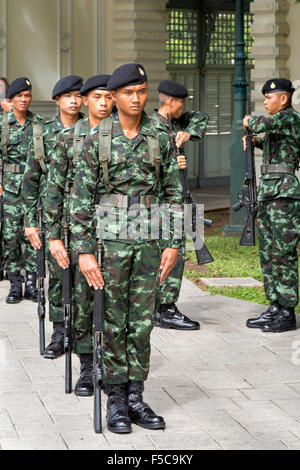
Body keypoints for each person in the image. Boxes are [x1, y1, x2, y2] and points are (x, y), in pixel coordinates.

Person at [70, 64, 183, 433]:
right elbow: (81, 200)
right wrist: (85, 251)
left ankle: (136, 396)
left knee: (142, 323)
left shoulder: (159, 134)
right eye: (129, 92)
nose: (136, 99)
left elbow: (173, 193)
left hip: (150, 243)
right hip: (111, 245)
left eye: (142, 91)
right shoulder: (98, 138)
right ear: (115, 96)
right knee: (113, 322)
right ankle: (116, 399)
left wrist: (174, 244)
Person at [44, 75, 114, 396]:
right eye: (96, 97)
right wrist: (54, 236)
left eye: (108, 96)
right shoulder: (68, 138)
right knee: (85, 300)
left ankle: (113, 366)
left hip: (119, 230)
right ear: (86, 100)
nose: (103, 103)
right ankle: (87, 365)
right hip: (80, 230)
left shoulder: (128, 136)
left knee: (117, 302)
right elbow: (54, 190)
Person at [22, 75, 84, 357]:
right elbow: (31, 180)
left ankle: (80, 332)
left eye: (78, 95)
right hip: (54, 214)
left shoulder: (92, 128)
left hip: (85, 214)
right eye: (68, 96)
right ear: (57, 100)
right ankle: (59, 332)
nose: (74, 100)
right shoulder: (43, 134)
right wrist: (31, 222)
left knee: (85, 274)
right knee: (59, 274)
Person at [244, 78, 300, 333]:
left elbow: (262, 124)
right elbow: (276, 143)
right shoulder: (281, 125)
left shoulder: (289, 118)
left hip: (284, 195)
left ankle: (287, 310)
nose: (265, 101)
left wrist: (248, 123)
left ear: (284, 99)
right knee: (268, 252)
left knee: (283, 253)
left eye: (269, 97)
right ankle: (275, 305)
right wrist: (256, 142)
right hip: (270, 194)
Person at [152, 79, 209, 330]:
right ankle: (164, 307)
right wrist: (173, 166)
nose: (184, 107)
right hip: (159, 201)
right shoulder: (152, 128)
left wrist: (188, 133)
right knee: (169, 252)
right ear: (171, 101)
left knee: (174, 250)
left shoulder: (177, 123)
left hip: (176, 198)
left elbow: (202, 117)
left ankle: (161, 304)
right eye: (181, 102)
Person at [0, 77, 43, 303]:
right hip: (9, 188)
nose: (24, 100)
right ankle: (15, 283)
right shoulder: (3, 124)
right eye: (20, 97)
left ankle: (32, 284)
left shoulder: (39, 123)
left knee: (32, 236)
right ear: (12, 99)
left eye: (27, 96)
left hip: (32, 188)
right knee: (11, 236)